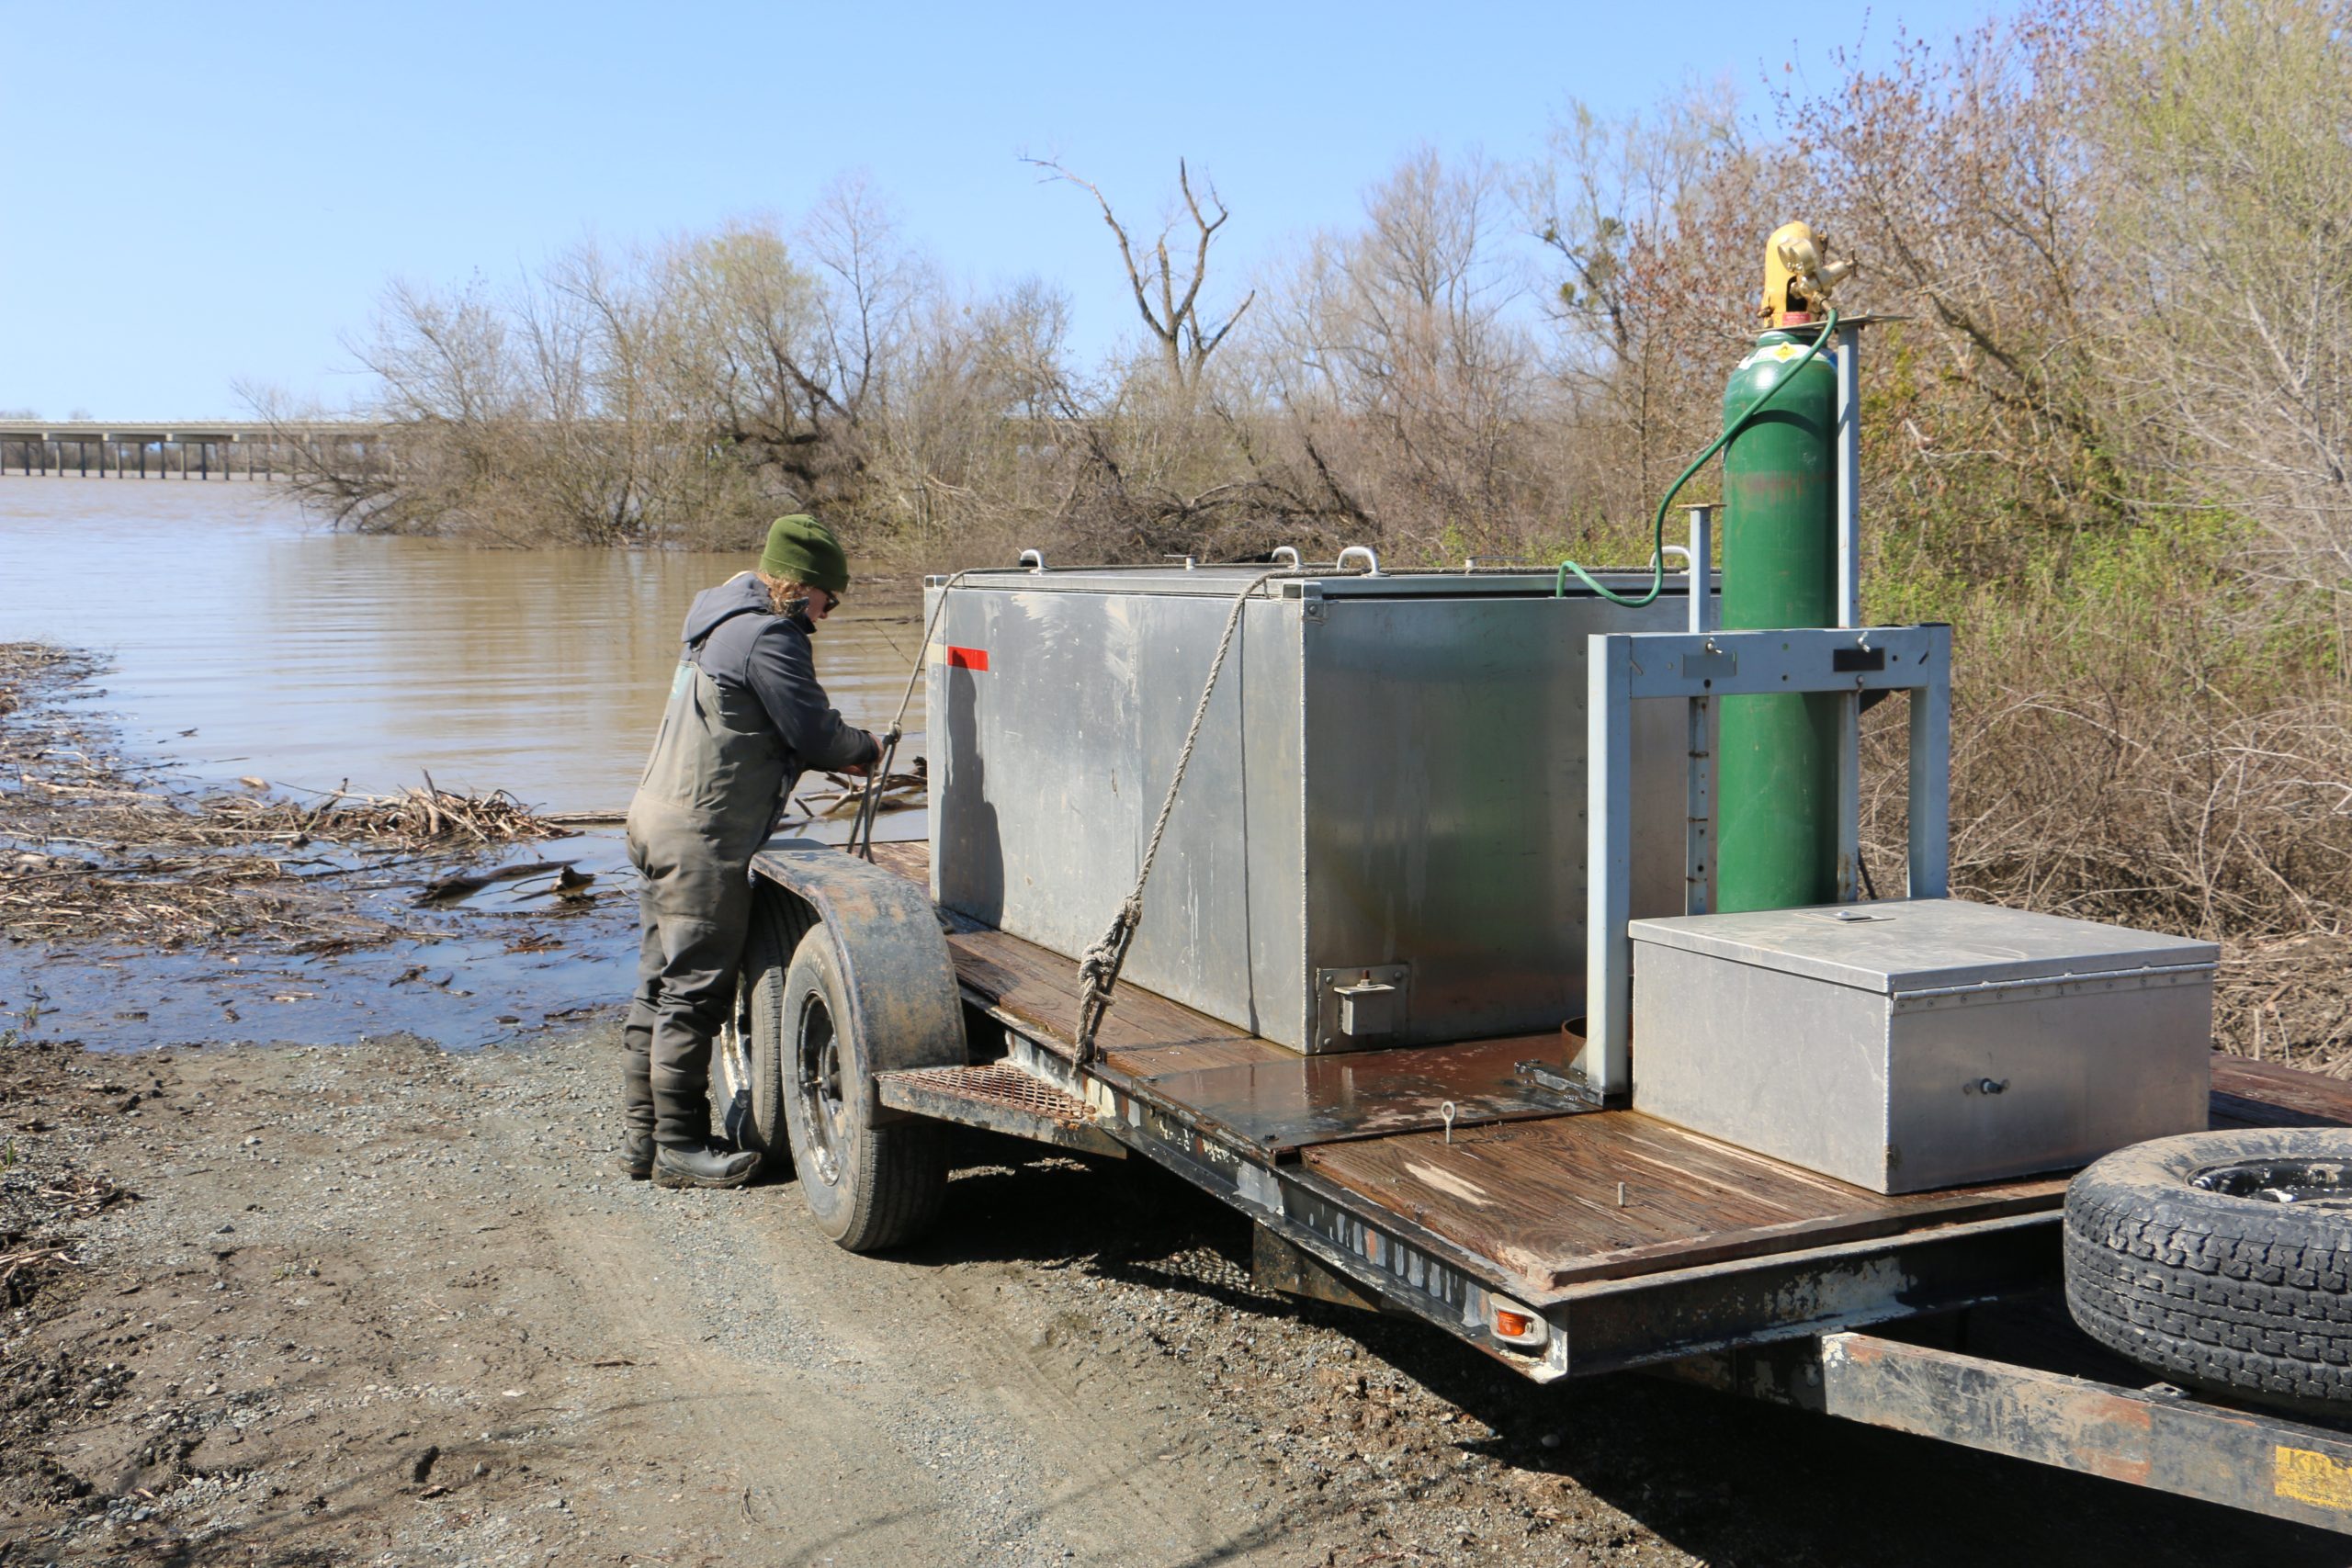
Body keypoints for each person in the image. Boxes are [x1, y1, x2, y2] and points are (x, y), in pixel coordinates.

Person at [619, 513, 879, 1190]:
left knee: (659, 982)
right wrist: (866, 749)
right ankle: (678, 1147)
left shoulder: (718, 618)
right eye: (828, 596)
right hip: (700, 839)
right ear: (801, 584)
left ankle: (642, 1141)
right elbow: (816, 731)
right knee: (695, 994)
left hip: (655, 817)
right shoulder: (770, 635)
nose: (828, 611)